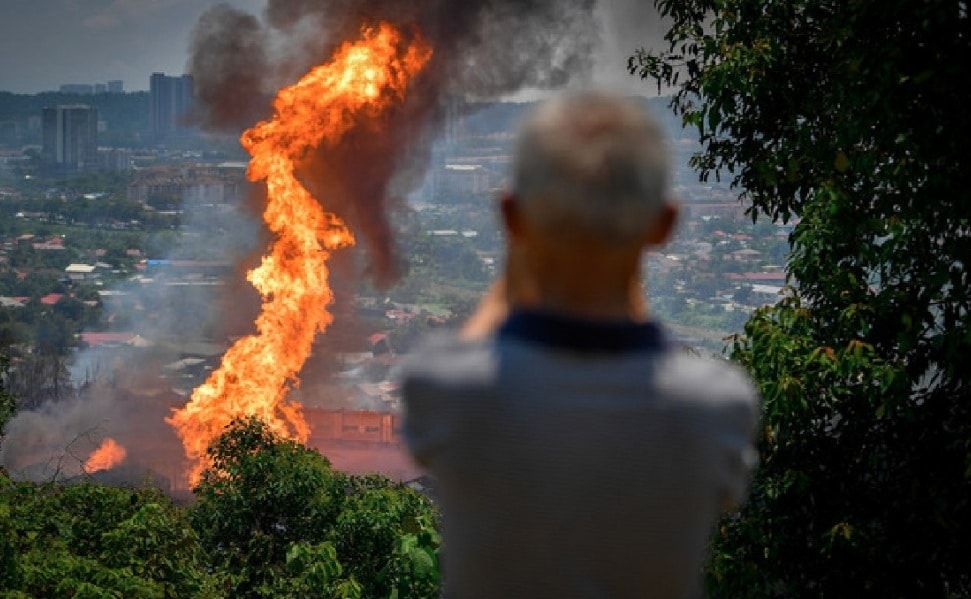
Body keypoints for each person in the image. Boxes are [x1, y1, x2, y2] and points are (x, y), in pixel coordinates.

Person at [399, 92, 759, 598]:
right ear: (665, 224)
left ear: (511, 217)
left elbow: (474, 358)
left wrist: (519, 258)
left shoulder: (446, 388)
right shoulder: (716, 405)